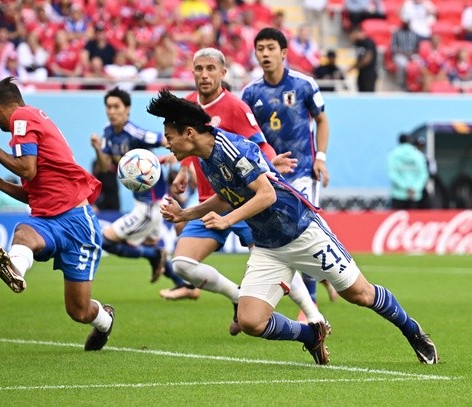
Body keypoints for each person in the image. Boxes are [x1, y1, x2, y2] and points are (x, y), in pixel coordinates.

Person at [148, 89, 439, 365]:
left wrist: (228, 220)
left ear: (189, 133)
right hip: (268, 245)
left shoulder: (232, 148)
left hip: (301, 231)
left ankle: (412, 331)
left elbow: (267, 194)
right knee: (250, 321)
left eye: (169, 136)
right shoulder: (207, 159)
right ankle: (311, 334)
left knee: (360, 295)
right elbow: (228, 197)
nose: (167, 143)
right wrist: (186, 213)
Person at [165, 47, 327, 337]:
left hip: (243, 202)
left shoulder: (235, 107)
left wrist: (270, 165)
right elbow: (187, 148)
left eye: (210, 69)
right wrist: (184, 172)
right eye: (199, 69)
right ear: (192, 72)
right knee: (182, 265)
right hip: (209, 202)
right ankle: (238, 297)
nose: (204, 75)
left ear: (222, 73)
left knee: (278, 256)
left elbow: (260, 144)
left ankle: (314, 315)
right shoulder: (186, 107)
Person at [0, 77, 115, 351]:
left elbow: (27, 170)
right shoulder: (32, 121)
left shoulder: (22, 119)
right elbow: (33, 190)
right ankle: (14, 268)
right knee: (23, 232)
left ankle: (105, 321)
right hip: (47, 219)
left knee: (79, 311)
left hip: (76, 222)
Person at [241, 28, 337, 320]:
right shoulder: (250, 92)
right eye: (260, 49)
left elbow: (321, 121)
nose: (265, 54)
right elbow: (248, 137)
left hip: (303, 171)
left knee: (302, 230)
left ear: (283, 52)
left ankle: (310, 304)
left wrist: (320, 158)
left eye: (271, 48)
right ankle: (322, 277)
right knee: (282, 237)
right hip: (271, 178)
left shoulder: (304, 84)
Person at [90, 87, 195, 295]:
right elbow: (104, 166)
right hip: (141, 201)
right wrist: (97, 149)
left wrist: (174, 154)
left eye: (116, 107)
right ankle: (186, 286)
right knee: (149, 244)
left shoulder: (134, 133)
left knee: (105, 241)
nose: (112, 111)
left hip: (151, 204)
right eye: (108, 107)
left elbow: (166, 139)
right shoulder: (109, 133)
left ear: (127, 109)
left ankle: (154, 255)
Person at [388, 133, 429, 209]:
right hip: (415, 194)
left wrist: (405, 188)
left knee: (399, 218)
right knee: (413, 219)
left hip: (398, 194)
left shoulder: (393, 154)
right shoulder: (418, 155)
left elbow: (393, 175)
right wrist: (414, 188)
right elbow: (423, 175)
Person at [348, 25, 378, 92]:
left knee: (368, 95)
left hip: (369, 74)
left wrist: (353, 67)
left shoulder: (368, 42)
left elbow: (367, 59)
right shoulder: (358, 44)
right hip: (361, 74)